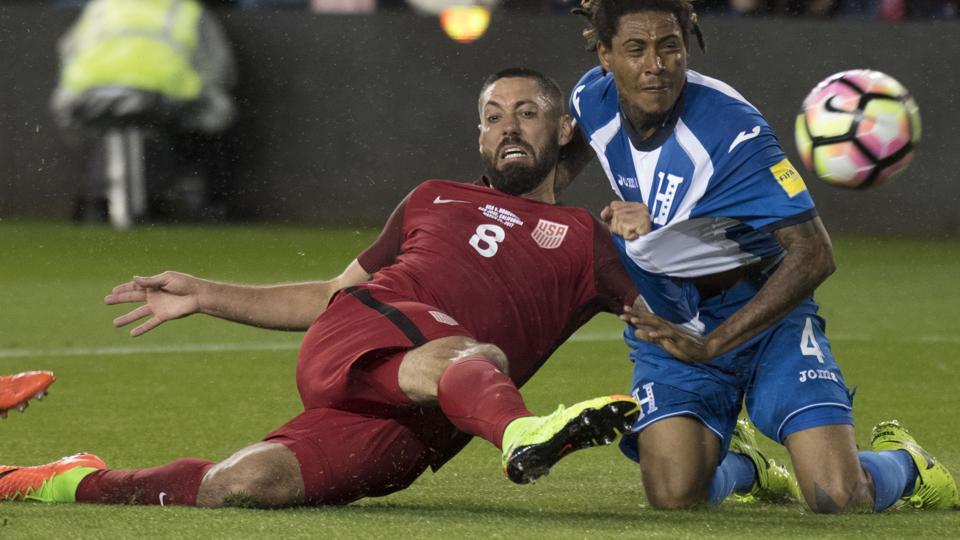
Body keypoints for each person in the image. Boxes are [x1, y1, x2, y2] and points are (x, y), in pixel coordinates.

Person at [0, 69, 643, 508]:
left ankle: (63, 480)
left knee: (243, 484)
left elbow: (668, 320)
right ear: (477, 134)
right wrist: (206, 293)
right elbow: (334, 293)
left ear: (563, 132)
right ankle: (521, 434)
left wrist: (648, 234)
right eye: (493, 116)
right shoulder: (432, 197)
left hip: (416, 419)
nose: (507, 127)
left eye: (527, 114)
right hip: (368, 333)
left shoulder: (587, 238)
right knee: (475, 357)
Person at [564, 0, 959, 512]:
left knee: (836, 496)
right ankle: (745, 466)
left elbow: (815, 254)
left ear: (687, 48)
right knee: (674, 496)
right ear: (605, 55)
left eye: (670, 47)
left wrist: (714, 343)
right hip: (673, 317)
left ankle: (907, 465)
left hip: (764, 315)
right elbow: (562, 166)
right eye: (636, 50)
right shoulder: (590, 100)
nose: (655, 65)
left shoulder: (733, 131)